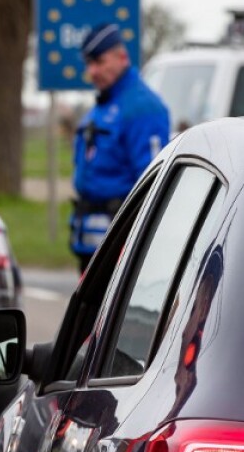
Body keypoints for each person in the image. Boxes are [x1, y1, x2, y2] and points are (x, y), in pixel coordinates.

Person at [71, 23, 171, 271]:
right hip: (91, 246)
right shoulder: (104, 105)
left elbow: (153, 185)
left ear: (122, 57)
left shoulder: (142, 107)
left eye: (99, 62)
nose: (92, 71)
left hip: (119, 247)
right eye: (88, 64)